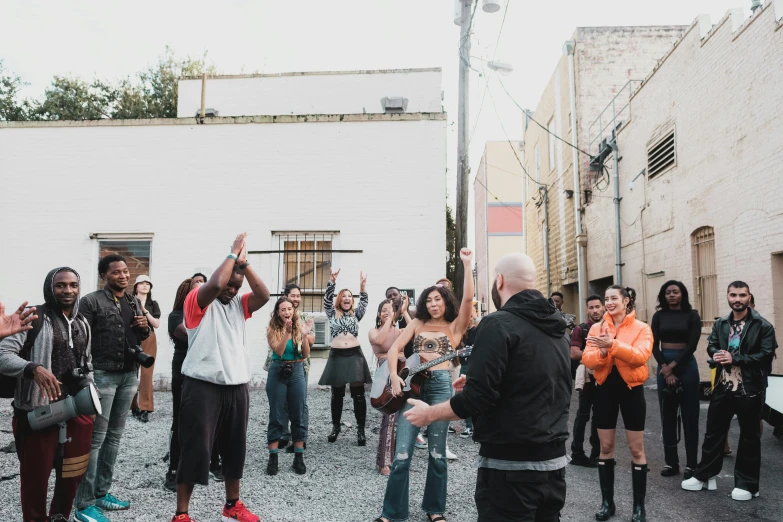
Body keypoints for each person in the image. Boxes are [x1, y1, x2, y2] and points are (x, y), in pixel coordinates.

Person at [402, 253, 572, 522]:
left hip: (510, 469)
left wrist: (429, 414)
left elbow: (475, 401)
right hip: (554, 465)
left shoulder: (497, 323)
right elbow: (546, 381)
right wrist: (483, 378)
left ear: (500, 281)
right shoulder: (558, 327)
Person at [172, 233, 270, 522]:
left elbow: (264, 295)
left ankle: (232, 504)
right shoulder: (198, 300)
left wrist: (244, 265)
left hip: (236, 386)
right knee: (195, 448)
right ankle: (181, 514)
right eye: (230, 285)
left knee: (235, 448)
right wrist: (231, 254)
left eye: (236, 287)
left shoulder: (239, 306)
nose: (231, 291)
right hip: (202, 386)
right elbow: (215, 284)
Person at [374, 248, 474, 522]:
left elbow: (468, 298)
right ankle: (392, 513)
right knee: (402, 454)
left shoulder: (454, 327)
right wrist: (394, 376)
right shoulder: (416, 323)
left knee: (437, 453)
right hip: (413, 389)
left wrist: (467, 265)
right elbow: (394, 349)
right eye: (429, 300)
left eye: (438, 299)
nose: (433, 303)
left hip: (442, 387)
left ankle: (435, 509)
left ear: (445, 301)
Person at [0, 268, 94, 522]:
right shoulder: (34, 316)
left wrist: (89, 387)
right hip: (37, 410)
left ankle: (60, 517)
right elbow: (3, 357)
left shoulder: (82, 321)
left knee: (72, 475)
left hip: (75, 408)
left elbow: (87, 361)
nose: (68, 290)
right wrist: (33, 369)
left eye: (73, 285)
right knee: (35, 480)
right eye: (60, 285)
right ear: (49, 288)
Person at [682, 281, 776, 501]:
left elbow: (765, 355)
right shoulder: (721, 323)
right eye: (733, 295)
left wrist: (736, 359)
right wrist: (716, 353)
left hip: (750, 388)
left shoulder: (763, 326)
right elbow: (712, 343)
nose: (737, 299)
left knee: (749, 437)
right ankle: (705, 476)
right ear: (727, 296)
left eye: (742, 295)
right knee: (713, 433)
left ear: (749, 297)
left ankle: (748, 485)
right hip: (723, 386)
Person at [74, 255, 151, 522]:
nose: (123, 275)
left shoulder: (133, 301)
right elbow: (80, 337)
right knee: (95, 439)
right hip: (103, 375)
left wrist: (143, 328)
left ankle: (101, 492)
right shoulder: (91, 301)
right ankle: (84, 503)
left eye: (126, 271)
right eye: (116, 272)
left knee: (114, 437)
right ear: (104, 276)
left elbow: (143, 337)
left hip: (130, 374)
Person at [582, 286, 653, 522]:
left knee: (636, 449)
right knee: (605, 447)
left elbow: (640, 356)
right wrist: (602, 354)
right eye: (606, 299)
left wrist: (611, 345)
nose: (609, 303)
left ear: (625, 301)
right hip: (605, 391)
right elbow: (586, 358)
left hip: (632, 391)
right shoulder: (596, 327)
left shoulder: (641, 328)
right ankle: (607, 503)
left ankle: (639, 508)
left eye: (614, 298)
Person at [651, 281, 701, 479]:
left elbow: (692, 344)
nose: (672, 295)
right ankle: (671, 463)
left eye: (675, 292)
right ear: (664, 295)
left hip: (686, 365)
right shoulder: (659, 316)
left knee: (690, 417)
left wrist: (672, 367)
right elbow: (654, 344)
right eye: (668, 292)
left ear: (682, 294)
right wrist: (665, 369)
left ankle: (691, 464)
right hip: (664, 365)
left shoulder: (692, 315)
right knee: (668, 416)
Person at [164, 277, 209, 492]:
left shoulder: (209, 311)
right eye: (196, 287)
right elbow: (187, 334)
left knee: (203, 420)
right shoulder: (176, 315)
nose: (202, 291)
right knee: (180, 420)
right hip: (183, 371)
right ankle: (174, 469)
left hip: (204, 371)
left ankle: (203, 464)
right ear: (187, 293)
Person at [317, 268, 371, 446]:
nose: (347, 298)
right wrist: (331, 281)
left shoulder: (357, 314)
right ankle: (335, 427)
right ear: (339, 299)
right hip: (338, 355)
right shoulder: (332, 313)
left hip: (355, 355)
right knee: (337, 394)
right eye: (344, 296)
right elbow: (326, 300)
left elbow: (364, 302)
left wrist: (362, 286)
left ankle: (361, 430)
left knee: (358, 395)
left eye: (349, 296)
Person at [263, 283, 315, 453]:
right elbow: (278, 350)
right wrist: (287, 332)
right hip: (278, 369)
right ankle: (277, 448)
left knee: (298, 409)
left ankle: (299, 448)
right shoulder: (273, 327)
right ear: (278, 311)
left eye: (289, 309)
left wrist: (304, 336)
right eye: (283, 309)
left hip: (298, 369)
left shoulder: (302, 322)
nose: (287, 311)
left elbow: (304, 354)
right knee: (277, 411)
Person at [369, 299, 405, 475]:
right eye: (383, 310)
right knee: (389, 416)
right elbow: (381, 340)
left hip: (403, 373)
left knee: (406, 416)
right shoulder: (373, 331)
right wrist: (391, 318)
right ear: (378, 314)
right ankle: (384, 462)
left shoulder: (400, 332)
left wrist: (403, 312)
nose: (386, 312)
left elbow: (415, 330)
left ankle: (401, 459)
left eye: (390, 310)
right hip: (385, 374)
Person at [569, 294, 605, 468]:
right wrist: (597, 357)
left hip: (605, 378)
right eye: (591, 307)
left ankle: (596, 455)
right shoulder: (581, 329)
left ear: (603, 307)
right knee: (583, 415)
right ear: (587, 310)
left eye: (597, 307)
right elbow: (574, 353)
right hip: (587, 380)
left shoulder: (609, 328)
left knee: (600, 416)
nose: (595, 310)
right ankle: (577, 453)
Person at [130, 275, 161, 423]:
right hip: (131, 337)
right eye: (141, 283)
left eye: (147, 283)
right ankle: (132, 406)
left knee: (147, 373)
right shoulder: (128, 301)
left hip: (149, 338)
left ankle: (146, 407)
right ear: (136, 286)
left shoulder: (153, 303)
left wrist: (144, 310)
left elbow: (156, 324)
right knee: (130, 372)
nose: (144, 286)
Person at [457, 307, 479, 439]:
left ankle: (476, 427)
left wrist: (475, 317)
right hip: (464, 366)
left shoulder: (476, 330)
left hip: (474, 365)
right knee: (464, 395)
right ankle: (468, 426)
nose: (469, 319)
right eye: (467, 316)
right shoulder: (460, 332)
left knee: (475, 394)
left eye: (471, 316)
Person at [385, 286, 415, 358]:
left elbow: (414, 329)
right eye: (389, 296)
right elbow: (388, 327)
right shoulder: (386, 316)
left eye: (395, 295)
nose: (393, 297)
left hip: (411, 350)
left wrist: (404, 309)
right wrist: (399, 310)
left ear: (400, 296)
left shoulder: (413, 313)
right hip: (395, 353)